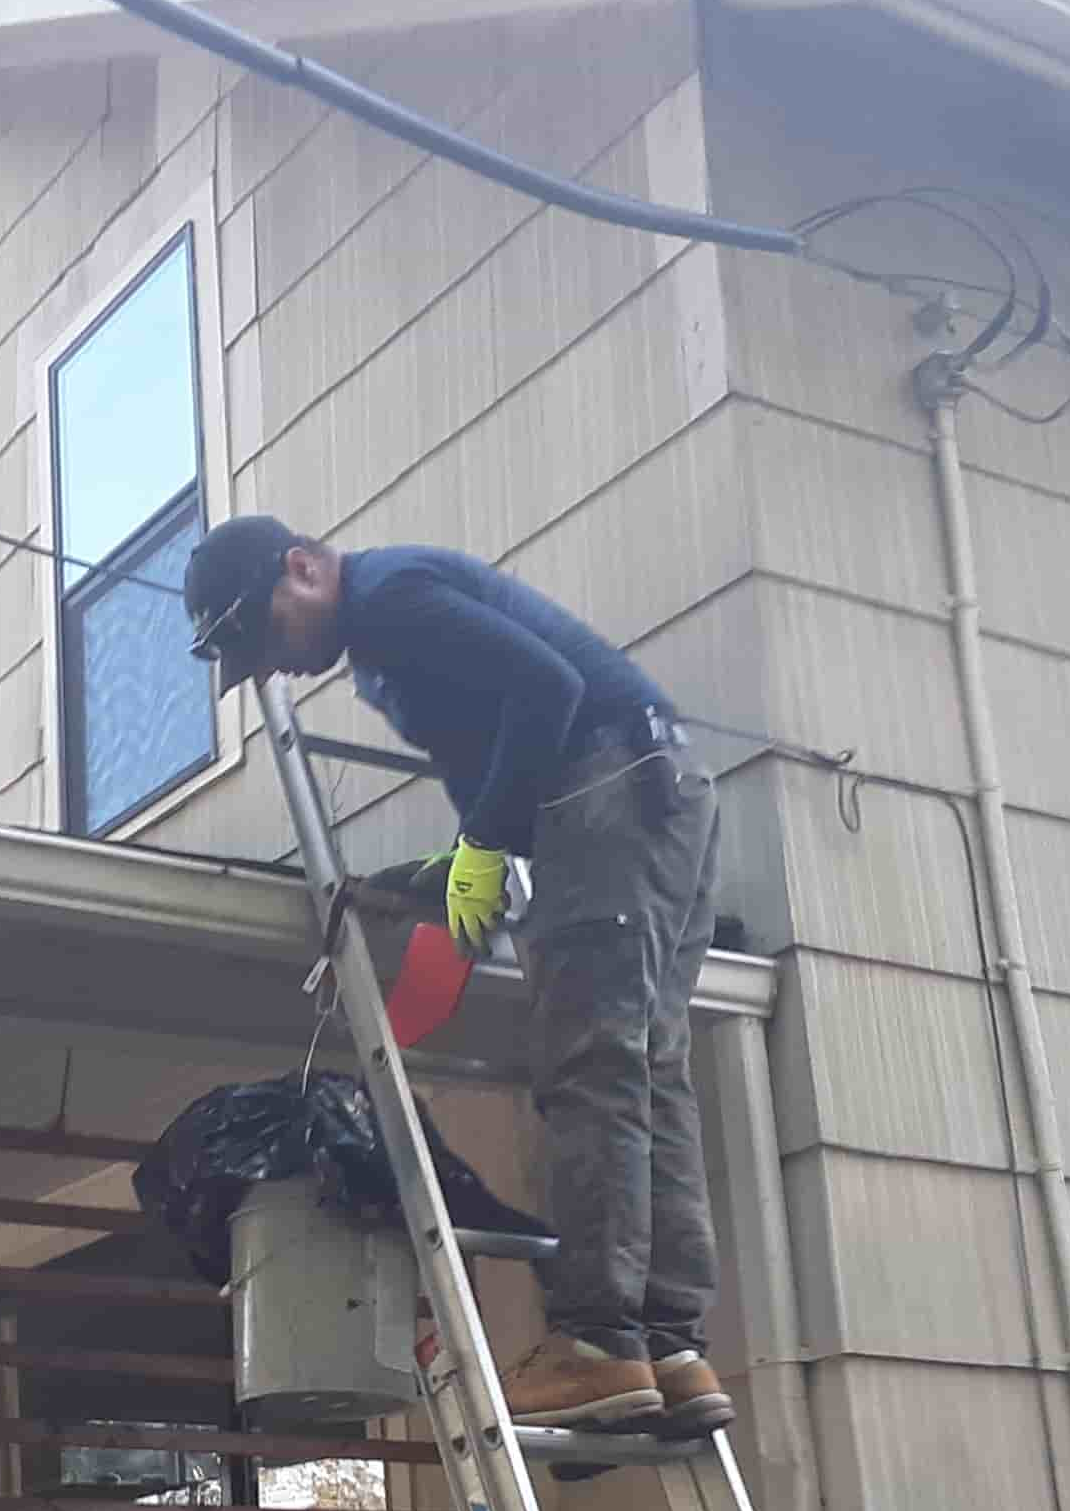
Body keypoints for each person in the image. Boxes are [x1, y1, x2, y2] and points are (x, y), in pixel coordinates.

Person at [181, 514, 732, 1443]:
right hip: (648, 796)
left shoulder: (390, 600)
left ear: (304, 567)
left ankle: (599, 1343)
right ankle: (668, 1347)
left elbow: (547, 688)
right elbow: (508, 741)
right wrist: (465, 858)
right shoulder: (390, 631)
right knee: (645, 1069)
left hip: (605, 799)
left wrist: (483, 841)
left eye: (261, 633)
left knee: (594, 1067)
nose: (269, 663)